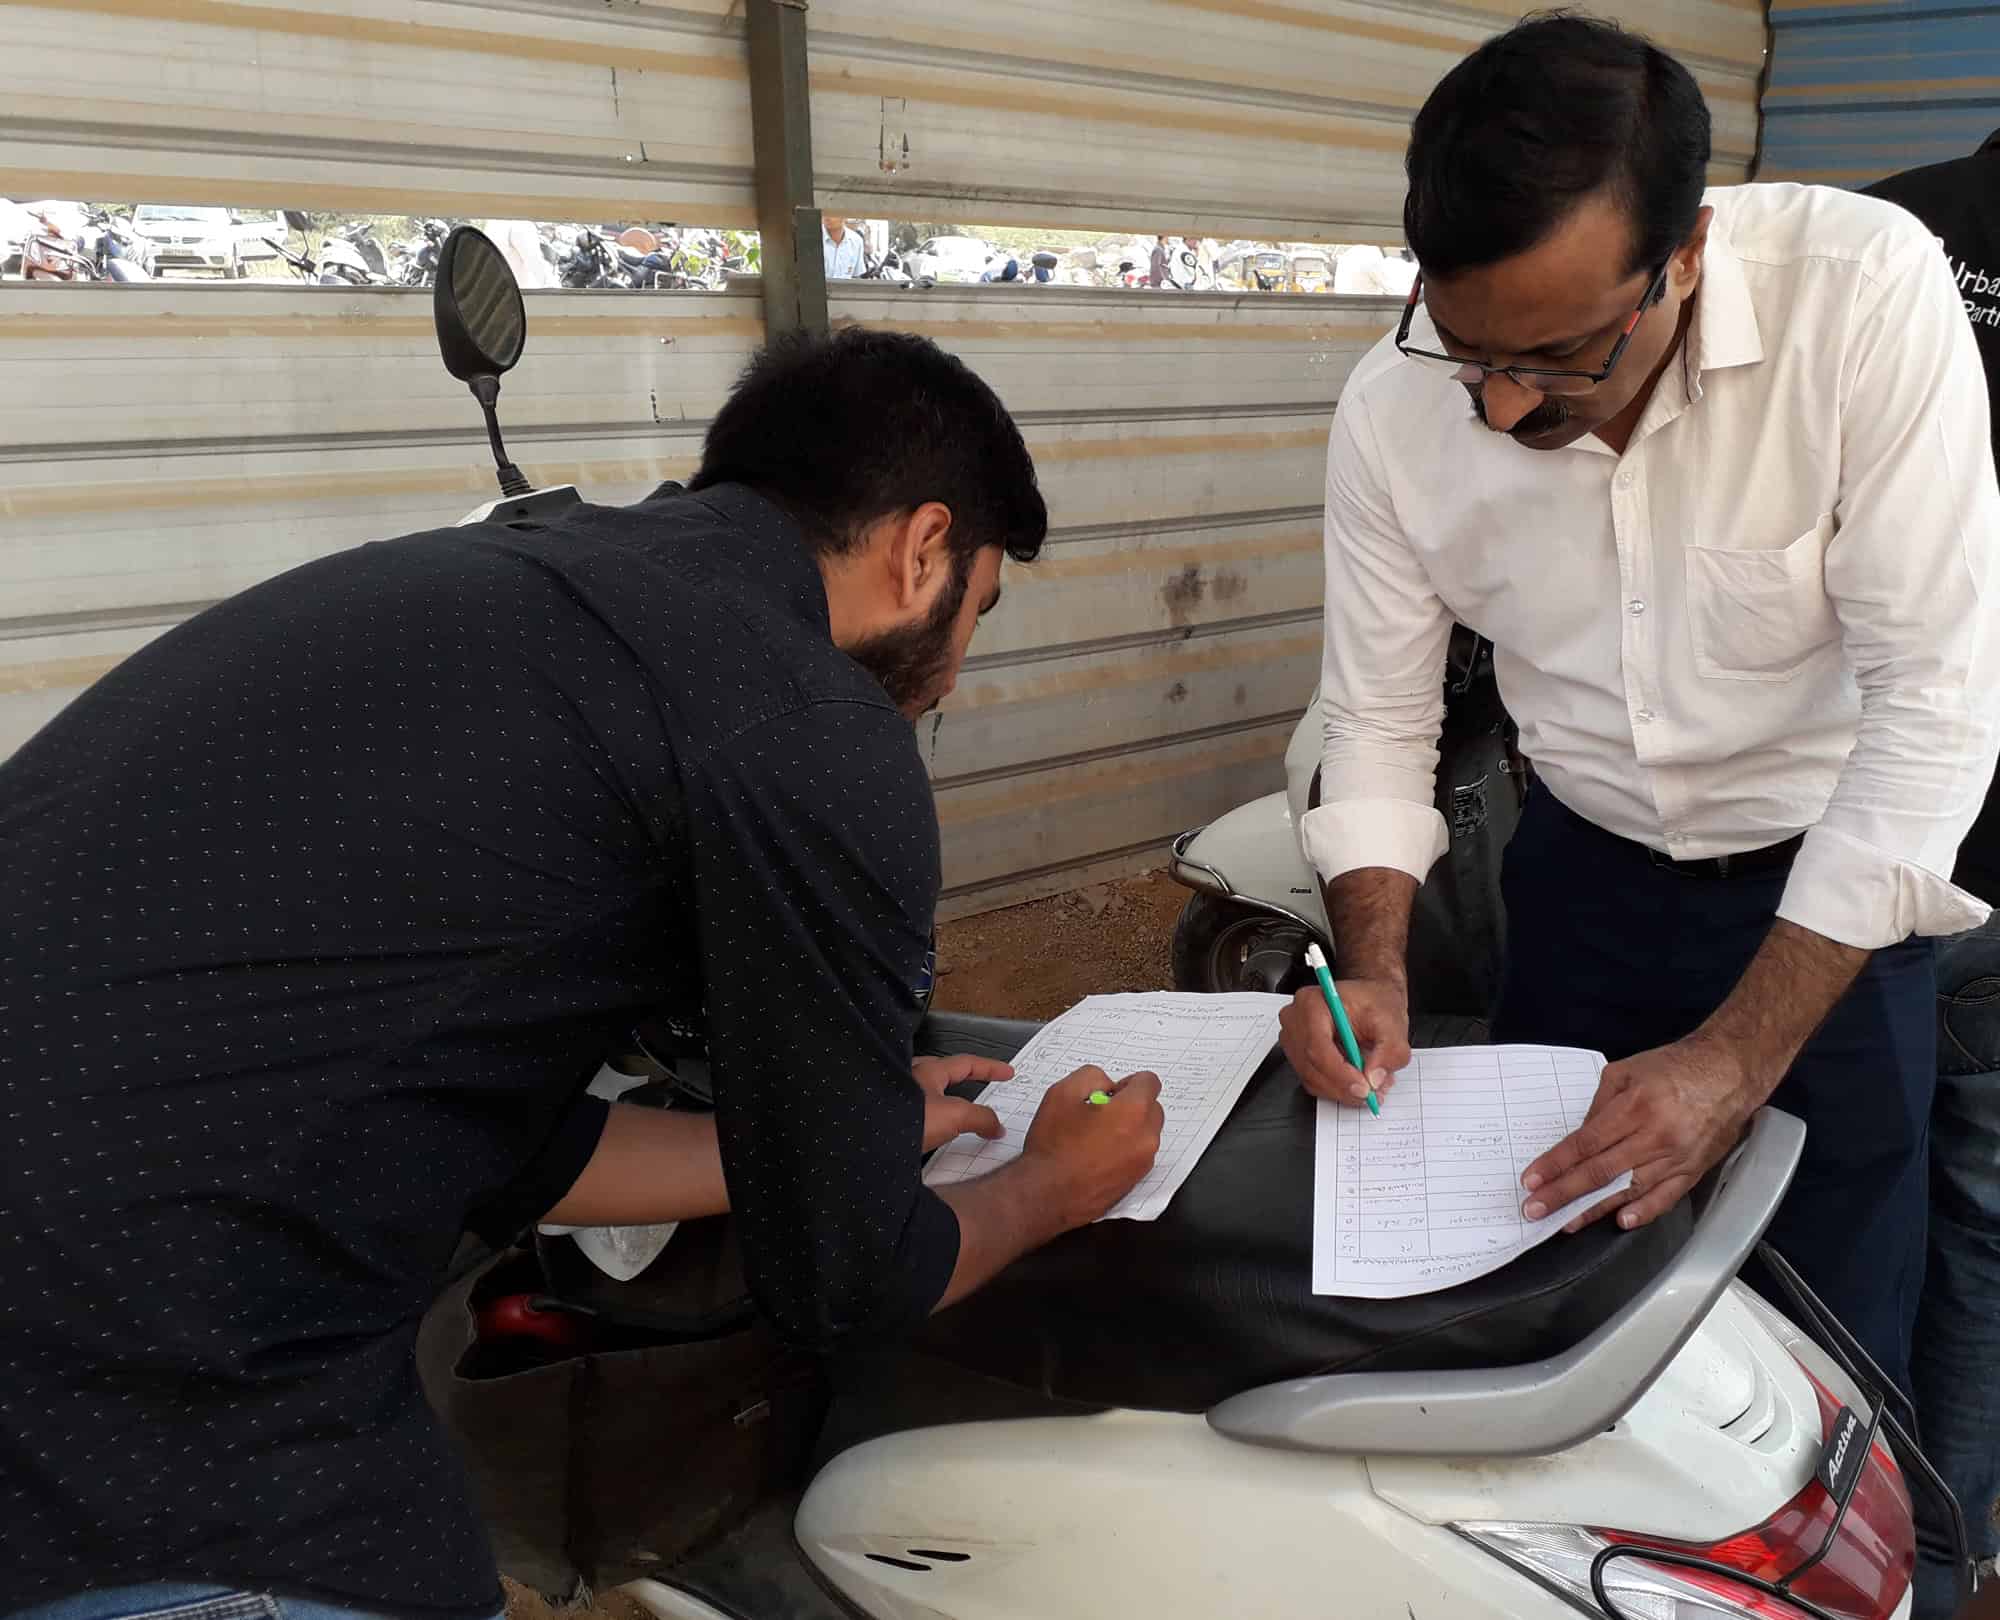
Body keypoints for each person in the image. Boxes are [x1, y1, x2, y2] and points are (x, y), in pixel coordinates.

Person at [0, 329, 1165, 1620]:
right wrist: (1054, 1186)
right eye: (981, 608)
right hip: (145, 1403)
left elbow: (505, 1141)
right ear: (924, 549)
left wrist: (842, 1131)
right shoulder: (803, 718)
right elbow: (849, 1282)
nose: (954, 672)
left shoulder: (508, 583)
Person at [1279, 9, 1997, 1436]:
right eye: (1464, 348)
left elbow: (1933, 705)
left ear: (1685, 257)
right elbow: (1374, 716)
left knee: (1828, 1332)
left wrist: (1734, 1061)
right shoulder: (1392, 406)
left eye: (1555, 359)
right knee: (1559, 1290)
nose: (1498, 406)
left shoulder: (1859, 295)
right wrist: (1374, 969)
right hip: (1581, 880)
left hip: (1826, 900)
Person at [1865, 132, 2000, 1617]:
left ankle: (1804, 1538)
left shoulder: (1884, 237)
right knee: (1978, 1221)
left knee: (1799, 1206)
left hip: (1850, 840)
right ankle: (1944, 1561)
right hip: (1959, 857)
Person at [821, 214, 865, 280]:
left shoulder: (856, 241)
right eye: (825, 211)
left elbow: (856, 276)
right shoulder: (811, 237)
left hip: (845, 286)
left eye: (833, 212)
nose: (827, 216)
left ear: (845, 215)